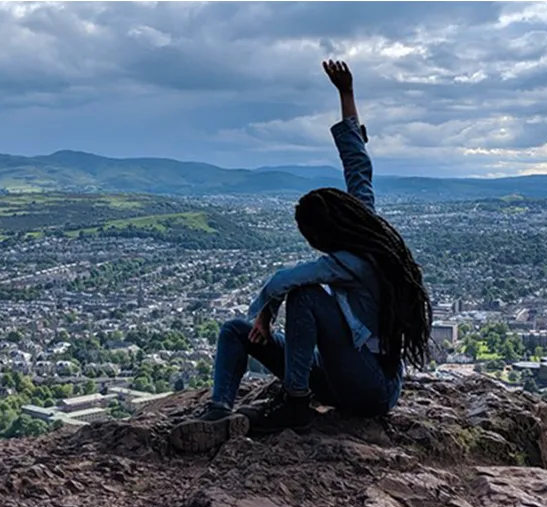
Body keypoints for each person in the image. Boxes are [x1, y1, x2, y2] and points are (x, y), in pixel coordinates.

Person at [169, 60, 433, 453]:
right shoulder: (366, 226)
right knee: (233, 331)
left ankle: (295, 403)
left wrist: (267, 310)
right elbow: (357, 165)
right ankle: (219, 411)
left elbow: (284, 280)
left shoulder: (355, 260)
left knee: (306, 296)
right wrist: (346, 94)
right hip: (339, 375)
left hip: (371, 387)